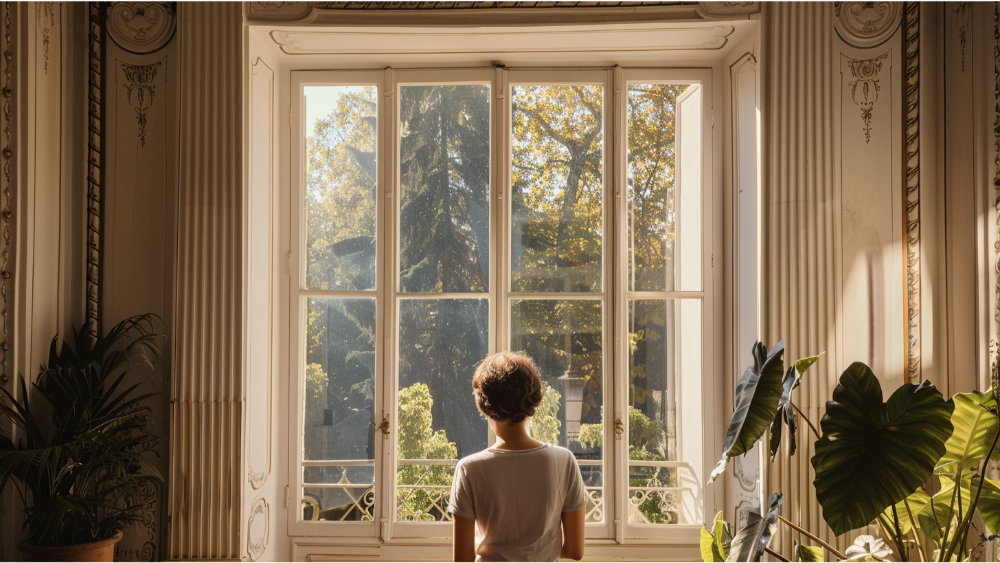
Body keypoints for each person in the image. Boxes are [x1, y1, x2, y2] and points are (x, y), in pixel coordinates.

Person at [448, 351, 586, 563]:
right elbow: (575, 551)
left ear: (485, 406)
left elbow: (463, 559)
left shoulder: (469, 468)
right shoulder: (564, 460)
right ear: (534, 402)